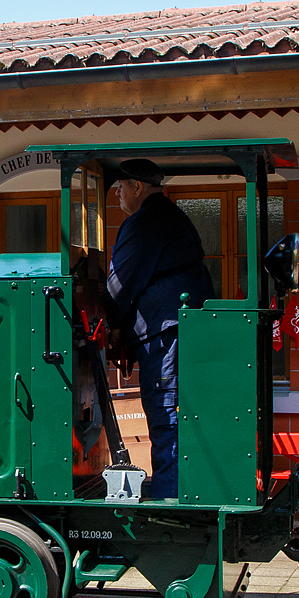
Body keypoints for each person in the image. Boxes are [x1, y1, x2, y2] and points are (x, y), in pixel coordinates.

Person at [104, 160, 214, 499]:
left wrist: (107, 324)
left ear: (137, 187)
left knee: (167, 417)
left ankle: (171, 504)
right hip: (175, 331)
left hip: (165, 336)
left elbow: (119, 286)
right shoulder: (170, 216)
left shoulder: (144, 223)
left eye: (121, 187)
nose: (118, 195)